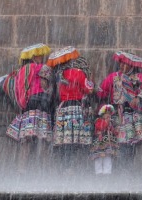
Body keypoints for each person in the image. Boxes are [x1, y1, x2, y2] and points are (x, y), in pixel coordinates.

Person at [0, 43, 53, 174]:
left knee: (26, 139)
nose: (42, 56)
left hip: (28, 105)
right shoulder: (41, 67)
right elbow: (45, 84)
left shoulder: (22, 70)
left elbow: (17, 86)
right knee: (43, 139)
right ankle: (46, 169)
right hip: (42, 103)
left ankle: (22, 169)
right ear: (34, 56)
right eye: (39, 55)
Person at [97, 51, 142, 175]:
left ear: (131, 65)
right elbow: (102, 92)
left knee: (131, 144)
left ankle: (127, 169)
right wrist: (104, 109)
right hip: (118, 114)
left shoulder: (139, 78)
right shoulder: (113, 77)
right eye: (121, 64)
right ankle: (122, 169)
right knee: (120, 143)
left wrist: (138, 98)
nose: (122, 66)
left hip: (134, 115)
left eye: (125, 64)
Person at [47, 46, 94, 175]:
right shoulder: (77, 72)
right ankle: (75, 169)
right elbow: (89, 89)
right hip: (75, 108)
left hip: (62, 109)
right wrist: (91, 80)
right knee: (75, 139)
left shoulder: (58, 75)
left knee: (64, 140)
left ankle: (65, 167)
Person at [91, 104, 119, 176]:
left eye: (109, 114)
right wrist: (106, 122)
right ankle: (98, 173)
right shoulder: (98, 121)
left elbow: (114, 131)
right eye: (106, 114)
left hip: (108, 145)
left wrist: (115, 131)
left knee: (108, 158)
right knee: (99, 158)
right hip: (99, 143)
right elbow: (100, 127)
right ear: (102, 115)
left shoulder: (111, 122)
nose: (108, 116)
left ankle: (107, 172)